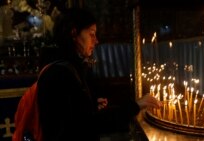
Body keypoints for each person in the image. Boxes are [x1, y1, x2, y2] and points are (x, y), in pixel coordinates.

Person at [36, 8, 161, 141]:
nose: (96, 41)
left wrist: (91, 105)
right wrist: (135, 106)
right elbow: (87, 125)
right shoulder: (60, 74)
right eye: (91, 34)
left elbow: (74, 115)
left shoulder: (68, 66)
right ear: (74, 33)